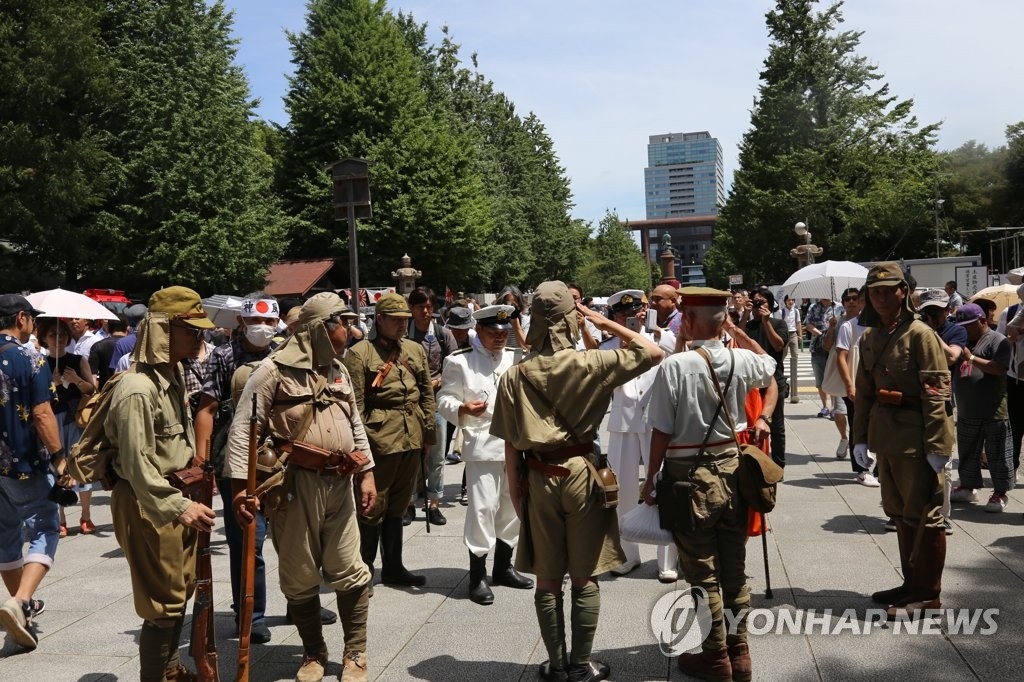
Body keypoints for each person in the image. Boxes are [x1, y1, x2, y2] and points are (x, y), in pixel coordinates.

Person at [491, 280, 665, 682]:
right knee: (585, 576)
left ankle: (555, 665)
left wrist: (518, 496)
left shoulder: (515, 376)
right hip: (583, 475)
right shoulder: (593, 363)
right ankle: (582, 665)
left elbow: (512, 447)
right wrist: (601, 320)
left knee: (548, 577)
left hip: (537, 476)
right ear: (573, 316)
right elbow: (652, 352)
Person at [225, 292, 376, 682]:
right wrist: (243, 488)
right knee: (300, 572)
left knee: (350, 568)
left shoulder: (338, 370)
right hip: (292, 487)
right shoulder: (272, 371)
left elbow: (355, 423)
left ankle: (355, 652)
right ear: (320, 330)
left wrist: (367, 472)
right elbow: (244, 429)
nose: (349, 329)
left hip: (340, 484)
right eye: (342, 322)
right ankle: (313, 652)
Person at [641, 287, 776, 681]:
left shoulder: (675, 366)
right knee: (734, 568)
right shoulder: (742, 359)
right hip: (733, 470)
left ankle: (716, 656)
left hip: (689, 476)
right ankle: (741, 651)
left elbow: (661, 432)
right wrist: (739, 331)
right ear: (722, 321)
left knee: (702, 571)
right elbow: (770, 366)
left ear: (689, 320)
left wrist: (650, 480)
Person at [105, 287, 217, 681]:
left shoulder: (172, 373)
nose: (199, 337)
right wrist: (180, 506)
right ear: (163, 330)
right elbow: (137, 466)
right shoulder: (137, 388)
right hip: (149, 502)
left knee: (181, 590)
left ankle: (170, 670)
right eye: (191, 330)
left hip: (172, 497)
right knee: (163, 603)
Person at [852, 262, 955, 620]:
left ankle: (929, 594)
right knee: (899, 513)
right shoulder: (870, 337)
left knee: (926, 515)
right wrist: (859, 439)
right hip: (887, 437)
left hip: (917, 437)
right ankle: (911, 584)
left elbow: (936, 393)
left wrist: (939, 447)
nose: (880, 297)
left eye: (888, 290)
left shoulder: (920, 334)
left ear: (903, 293)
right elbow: (863, 393)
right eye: (874, 291)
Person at [437, 304, 534, 606]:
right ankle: (477, 575)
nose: (500, 339)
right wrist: (462, 409)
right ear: (477, 330)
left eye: (504, 333)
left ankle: (503, 567)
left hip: (515, 446)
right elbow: (444, 399)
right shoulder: (460, 361)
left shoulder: (517, 358)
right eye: (493, 333)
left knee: (512, 507)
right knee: (482, 509)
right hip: (482, 445)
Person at [344, 293, 434, 589]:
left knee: (398, 505)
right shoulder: (360, 353)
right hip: (379, 438)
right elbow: (355, 404)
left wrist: (428, 434)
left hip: (411, 436)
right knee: (372, 506)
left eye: (405, 321)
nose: (401, 326)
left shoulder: (415, 349)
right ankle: (364, 569)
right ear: (379, 319)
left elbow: (426, 393)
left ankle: (394, 567)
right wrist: (360, 447)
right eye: (395, 320)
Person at [0, 295, 65, 651]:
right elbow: (42, 413)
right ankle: (21, 599)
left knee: (5, 536)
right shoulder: (30, 358)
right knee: (46, 525)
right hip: (24, 464)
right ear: (22, 318)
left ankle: (20, 609)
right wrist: (60, 456)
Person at [600, 289, 677, 581]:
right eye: (623, 316)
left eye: (636, 314)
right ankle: (627, 554)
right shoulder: (608, 348)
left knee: (662, 487)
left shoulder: (664, 339)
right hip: (623, 423)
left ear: (645, 313)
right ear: (614, 318)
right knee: (624, 492)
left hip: (658, 423)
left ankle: (668, 560)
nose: (631, 319)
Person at [948, 303, 1014, 512]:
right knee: (967, 451)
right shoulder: (961, 339)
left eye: (969, 325)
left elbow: (999, 368)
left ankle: (1000, 492)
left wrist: (972, 358)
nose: (965, 329)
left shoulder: (998, 340)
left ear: (982, 321)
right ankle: (968, 486)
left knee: (998, 453)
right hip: (967, 409)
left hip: (993, 410)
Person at [36, 317, 98, 537]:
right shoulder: (40, 363)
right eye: (53, 334)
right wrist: (50, 384)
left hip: (75, 418)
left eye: (63, 334)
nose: (59, 339)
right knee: (56, 468)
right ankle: (60, 519)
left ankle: (86, 516)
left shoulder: (78, 360)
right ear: (44, 338)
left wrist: (75, 381)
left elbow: (92, 390)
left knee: (80, 464)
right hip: (51, 422)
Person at [405, 287, 457, 526]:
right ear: (412, 309)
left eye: (429, 307)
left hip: (435, 403)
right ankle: (409, 502)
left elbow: (455, 366)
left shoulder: (442, 333)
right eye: (420, 307)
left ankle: (434, 503)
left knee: (436, 456)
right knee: (412, 457)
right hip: (408, 404)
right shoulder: (404, 334)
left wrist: (437, 381)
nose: (425, 311)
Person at [918, 289, 968, 534]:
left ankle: (943, 514)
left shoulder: (954, 330)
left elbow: (951, 357)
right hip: (915, 403)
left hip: (942, 404)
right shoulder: (914, 330)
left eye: (936, 311)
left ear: (947, 310)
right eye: (927, 311)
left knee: (943, 462)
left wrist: (929, 333)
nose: (931, 316)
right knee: (911, 461)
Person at [742, 286, 789, 467]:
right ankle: (755, 460)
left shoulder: (778, 324)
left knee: (776, 426)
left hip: (774, 380)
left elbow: (778, 346)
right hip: (752, 382)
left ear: (770, 304)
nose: (758, 306)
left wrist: (767, 321)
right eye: (755, 302)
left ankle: (778, 464)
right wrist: (746, 315)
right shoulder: (748, 325)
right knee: (752, 423)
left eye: (762, 302)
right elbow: (737, 339)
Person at [804, 296, 839, 417]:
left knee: (834, 377)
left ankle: (835, 407)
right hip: (817, 346)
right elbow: (808, 324)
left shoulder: (838, 307)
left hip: (834, 347)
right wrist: (821, 334)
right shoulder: (813, 307)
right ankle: (825, 406)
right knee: (820, 379)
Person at [779, 295, 801, 403]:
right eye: (789, 300)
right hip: (784, 333)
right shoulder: (781, 311)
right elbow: (779, 324)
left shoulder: (796, 311)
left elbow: (798, 323)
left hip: (793, 334)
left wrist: (799, 335)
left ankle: (794, 371)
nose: (791, 302)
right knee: (783, 354)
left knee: (795, 354)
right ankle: (780, 369)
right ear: (785, 301)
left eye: (792, 300)